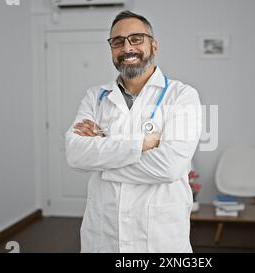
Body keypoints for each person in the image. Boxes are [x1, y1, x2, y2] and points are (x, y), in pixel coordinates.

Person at [65, 10, 202, 253]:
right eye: (117, 42)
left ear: (154, 46)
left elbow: (169, 167)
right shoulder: (95, 97)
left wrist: (103, 155)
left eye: (136, 39)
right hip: (103, 236)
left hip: (160, 240)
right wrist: (143, 144)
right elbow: (75, 154)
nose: (127, 47)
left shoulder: (182, 96)